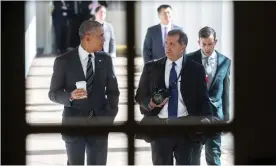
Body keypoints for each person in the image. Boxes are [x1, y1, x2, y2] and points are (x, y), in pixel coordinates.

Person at [135, 29, 212, 165]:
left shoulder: (196, 69)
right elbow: (140, 96)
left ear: (183, 46)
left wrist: (206, 119)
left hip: (185, 129)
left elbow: (203, 99)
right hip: (160, 128)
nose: (167, 47)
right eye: (166, 43)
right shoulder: (151, 67)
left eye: (172, 44)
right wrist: (151, 103)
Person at [48, 20, 120, 165]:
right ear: (87, 37)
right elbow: (53, 93)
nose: (104, 39)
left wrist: (109, 116)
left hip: (100, 125)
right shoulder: (63, 61)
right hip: (73, 126)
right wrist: (70, 96)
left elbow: (113, 91)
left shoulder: (105, 60)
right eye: (100, 36)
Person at [187, 26, 231, 166]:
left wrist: (226, 117)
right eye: (203, 44)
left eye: (210, 44)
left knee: (214, 156)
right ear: (198, 42)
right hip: (195, 115)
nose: (207, 47)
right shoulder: (189, 60)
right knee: (193, 158)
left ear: (215, 42)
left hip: (215, 116)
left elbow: (226, 91)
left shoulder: (225, 61)